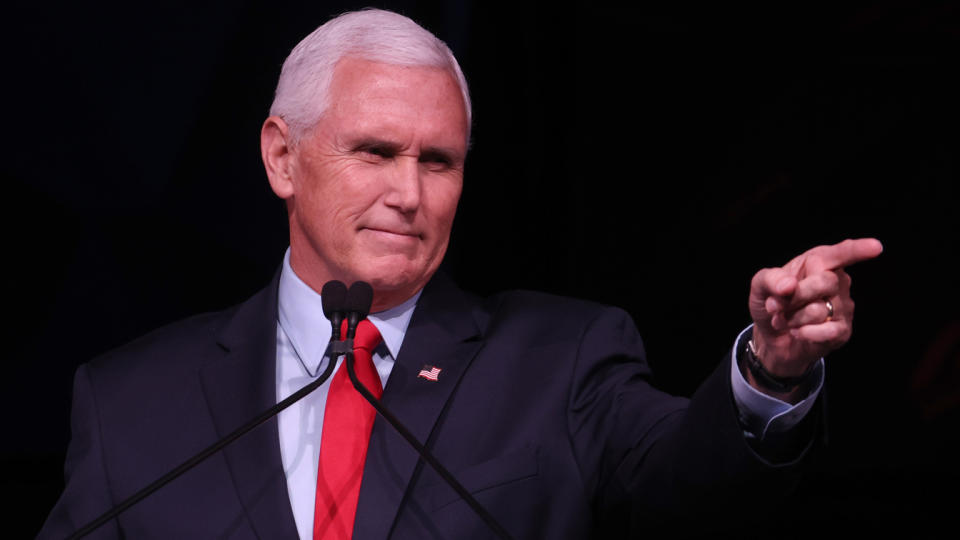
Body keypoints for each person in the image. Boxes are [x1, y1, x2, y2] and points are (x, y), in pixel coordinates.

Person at [38, 8, 883, 539]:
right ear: (282, 156)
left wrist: (770, 374)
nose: (409, 194)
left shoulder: (561, 361)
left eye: (438, 161)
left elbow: (689, 494)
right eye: (374, 151)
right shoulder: (129, 405)